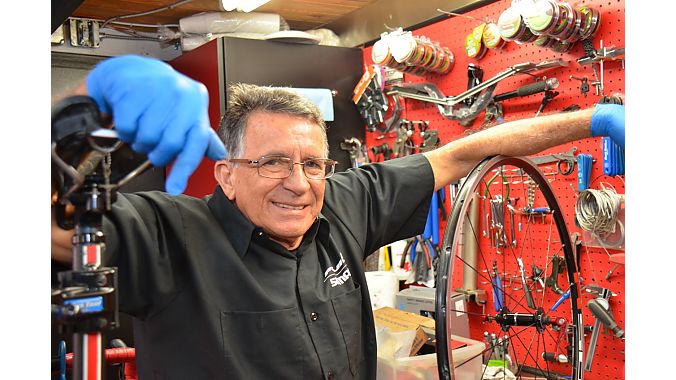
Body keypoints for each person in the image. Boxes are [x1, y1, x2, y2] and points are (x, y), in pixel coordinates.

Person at [52, 55, 625, 379]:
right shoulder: (169, 235)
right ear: (225, 173)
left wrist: (595, 119)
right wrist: (77, 112)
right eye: (272, 162)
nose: (299, 185)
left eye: (313, 163)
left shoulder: (344, 203)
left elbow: (464, 152)